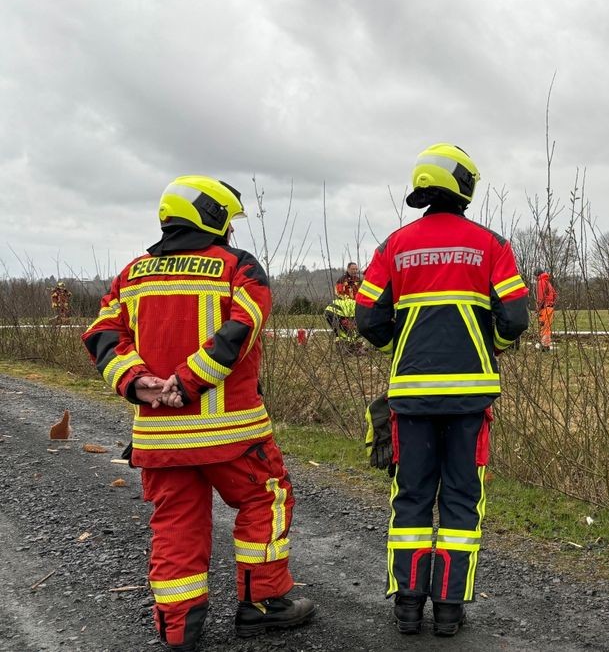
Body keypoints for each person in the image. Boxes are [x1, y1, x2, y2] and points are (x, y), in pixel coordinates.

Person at [80, 176, 315, 651]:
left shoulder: (133, 274)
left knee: (175, 525)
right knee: (264, 500)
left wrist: (137, 382)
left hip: (161, 440)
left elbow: (102, 335)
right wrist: (186, 384)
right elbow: (241, 330)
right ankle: (263, 605)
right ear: (214, 217)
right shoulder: (237, 268)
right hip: (232, 435)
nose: (231, 232)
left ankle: (178, 628)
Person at [355, 144, 529, 637]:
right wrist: (487, 344)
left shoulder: (393, 245)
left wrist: (401, 347)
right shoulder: (491, 244)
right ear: (464, 186)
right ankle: (449, 610)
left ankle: (408, 607)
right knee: (460, 498)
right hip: (471, 396)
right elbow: (514, 317)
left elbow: (367, 317)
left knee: (409, 497)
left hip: (409, 396)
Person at [535, 268, 557, 350]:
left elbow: (540, 297)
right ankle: (546, 344)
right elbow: (555, 295)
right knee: (547, 328)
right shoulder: (548, 282)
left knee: (543, 327)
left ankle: (544, 346)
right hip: (550, 308)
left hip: (544, 308)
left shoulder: (540, 282)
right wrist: (551, 303)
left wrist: (538, 307)